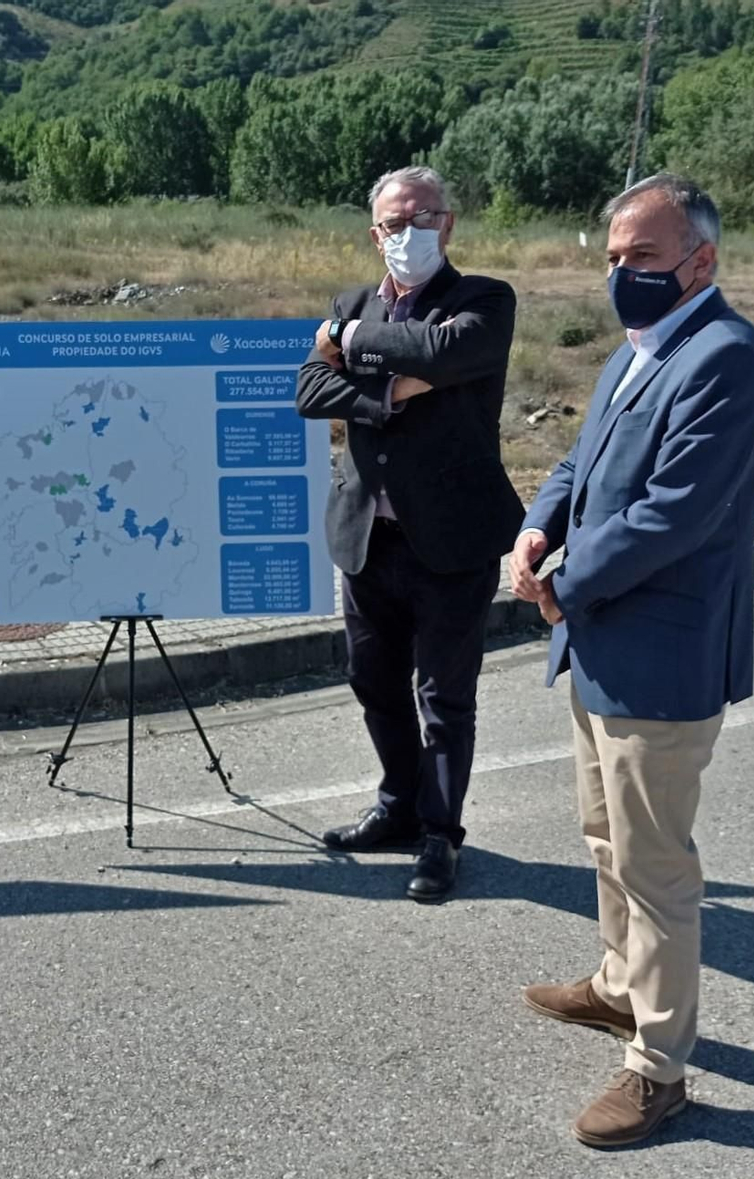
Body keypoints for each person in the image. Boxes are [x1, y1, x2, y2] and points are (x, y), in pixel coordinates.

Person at [510, 174, 754, 1147]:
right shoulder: (643, 347)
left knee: (656, 867)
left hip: (659, 654)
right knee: (603, 835)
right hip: (594, 641)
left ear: (701, 262)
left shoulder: (725, 357)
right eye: (616, 259)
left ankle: (659, 1066)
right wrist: (537, 534)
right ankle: (618, 986)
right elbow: (582, 467)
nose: (623, 276)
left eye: (646, 260)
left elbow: (675, 512)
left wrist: (560, 581)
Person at [296, 165, 525, 903]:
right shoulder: (353, 297)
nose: (410, 232)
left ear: (449, 224)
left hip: (452, 542)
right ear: (375, 233)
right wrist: (396, 383)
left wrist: (347, 344)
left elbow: (447, 355)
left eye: (425, 217)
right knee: (373, 683)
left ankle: (439, 833)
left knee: (444, 697)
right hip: (369, 537)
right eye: (396, 222)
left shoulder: (485, 299)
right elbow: (310, 390)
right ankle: (397, 806)